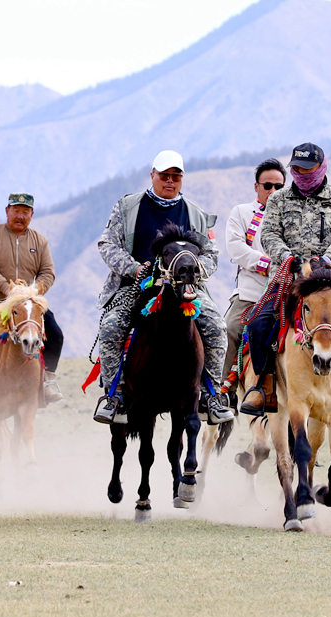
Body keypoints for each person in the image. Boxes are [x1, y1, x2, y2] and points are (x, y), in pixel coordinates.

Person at [241, 143, 331, 422]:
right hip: (288, 280)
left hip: (330, 282)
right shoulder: (278, 199)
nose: (301, 173)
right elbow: (269, 234)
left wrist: (328, 259)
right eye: (296, 168)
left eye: (307, 169)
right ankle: (263, 388)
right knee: (258, 324)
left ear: (321, 167)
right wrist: (287, 257)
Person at [93, 150, 234, 425]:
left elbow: (212, 254)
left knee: (217, 328)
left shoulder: (196, 215)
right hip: (135, 286)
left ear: (182, 179)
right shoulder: (128, 207)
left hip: (186, 289)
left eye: (176, 176)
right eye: (164, 175)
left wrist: (194, 271)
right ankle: (114, 396)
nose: (170, 181)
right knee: (110, 327)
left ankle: (210, 396)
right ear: (152, 175)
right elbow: (107, 244)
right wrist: (134, 268)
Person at [0, 193, 64, 403]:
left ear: (32, 214)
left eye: (25, 212)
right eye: (16, 211)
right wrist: (6, 289)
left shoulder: (40, 241)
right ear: (7, 211)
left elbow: (48, 272)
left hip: (28, 303)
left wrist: (32, 292)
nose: (20, 216)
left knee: (55, 335)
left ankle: (47, 380)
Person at [220, 159, 286, 408]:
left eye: (279, 187)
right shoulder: (241, 212)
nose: (273, 191)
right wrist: (267, 265)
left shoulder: (295, 216)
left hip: (287, 292)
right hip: (251, 292)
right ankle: (222, 393)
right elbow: (236, 248)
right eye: (267, 186)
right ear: (256, 187)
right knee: (229, 328)